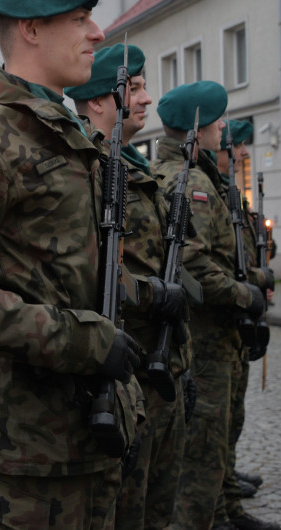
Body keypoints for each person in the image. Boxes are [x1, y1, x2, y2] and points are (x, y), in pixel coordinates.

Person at [0, 0, 142, 529]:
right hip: (24, 454)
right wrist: (76, 340)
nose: (98, 33)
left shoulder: (68, 131)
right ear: (31, 30)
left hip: (88, 431)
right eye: (80, 18)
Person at [66, 44, 190, 529]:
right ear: (98, 100)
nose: (145, 99)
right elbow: (89, 273)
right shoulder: (90, 164)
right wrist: (154, 293)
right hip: (119, 363)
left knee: (154, 504)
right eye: (133, 89)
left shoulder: (135, 166)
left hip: (154, 365)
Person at [152, 82, 277, 530]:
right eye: (219, 120)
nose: (225, 130)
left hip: (212, 338)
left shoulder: (197, 175)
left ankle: (224, 512)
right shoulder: (192, 182)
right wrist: (249, 293)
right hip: (203, 339)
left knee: (216, 439)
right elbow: (193, 266)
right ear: (197, 127)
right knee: (200, 456)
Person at [213, 119, 277, 530]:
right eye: (235, 148)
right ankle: (220, 501)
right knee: (216, 423)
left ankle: (227, 488)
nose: (241, 155)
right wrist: (249, 288)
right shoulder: (210, 190)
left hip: (236, 321)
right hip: (218, 323)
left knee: (231, 415)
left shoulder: (230, 190)